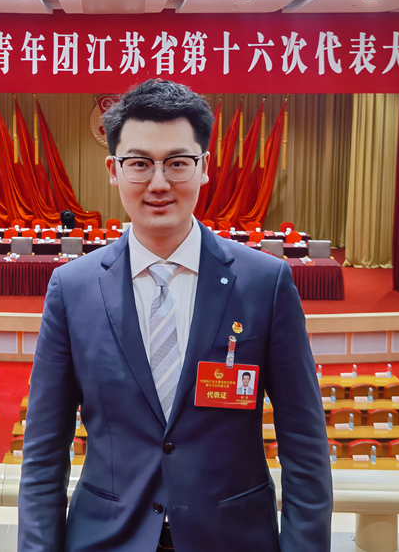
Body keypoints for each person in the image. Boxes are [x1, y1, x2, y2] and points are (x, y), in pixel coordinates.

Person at [18, 79, 331, 552]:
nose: (159, 183)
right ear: (114, 170)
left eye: (178, 163)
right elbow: (44, 452)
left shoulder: (264, 283)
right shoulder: (72, 289)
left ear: (204, 168)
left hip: (232, 540)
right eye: (140, 163)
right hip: (106, 539)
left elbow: (305, 445)